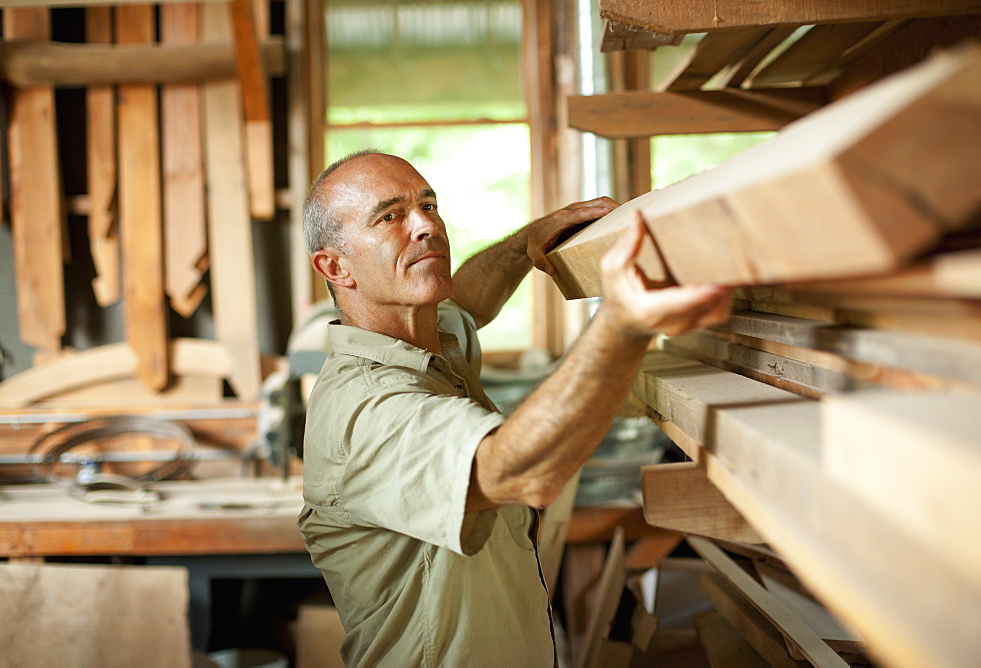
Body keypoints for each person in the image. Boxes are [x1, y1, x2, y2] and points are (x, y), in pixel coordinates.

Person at [297, 150, 731, 667]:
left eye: (429, 205)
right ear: (335, 266)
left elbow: (471, 302)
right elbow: (517, 472)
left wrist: (526, 245)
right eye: (390, 216)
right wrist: (622, 323)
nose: (425, 227)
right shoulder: (363, 409)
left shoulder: (426, 339)